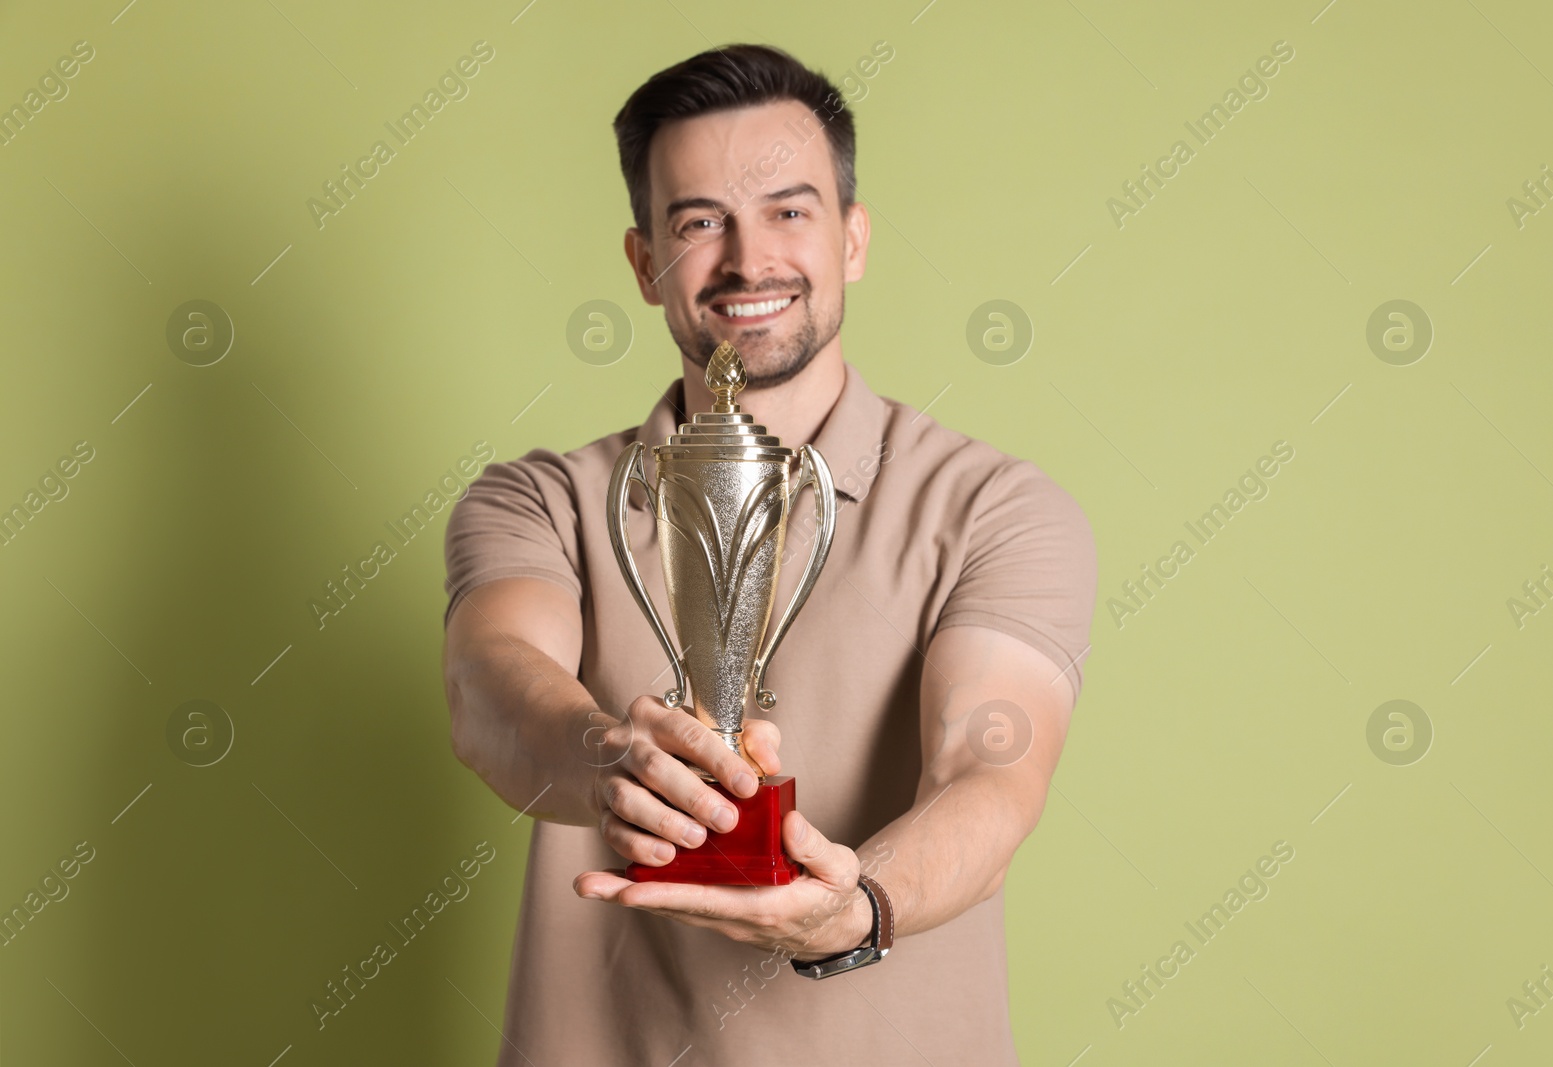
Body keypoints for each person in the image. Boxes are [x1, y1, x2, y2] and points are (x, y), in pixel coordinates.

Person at [442, 42, 1096, 1066]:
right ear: (645, 260)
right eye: (699, 221)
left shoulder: (995, 507)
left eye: (789, 211)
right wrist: (607, 757)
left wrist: (860, 904)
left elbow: (989, 768)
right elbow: (491, 691)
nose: (749, 261)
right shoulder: (545, 500)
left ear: (852, 237)